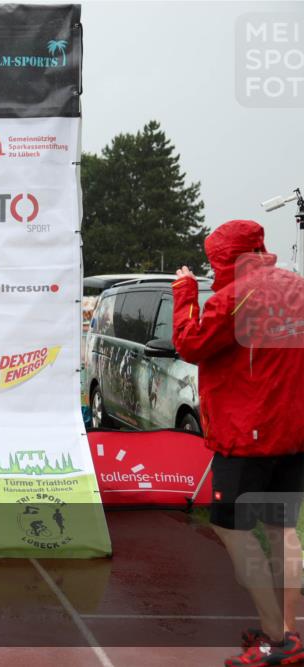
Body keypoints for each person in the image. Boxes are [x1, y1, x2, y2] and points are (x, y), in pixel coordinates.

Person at [171, 219, 304, 667]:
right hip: (293, 432)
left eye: (213, 260)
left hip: (247, 434)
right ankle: (287, 632)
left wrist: (186, 292)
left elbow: (190, 344)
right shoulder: (296, 287)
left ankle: (276, 640)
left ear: (225, 258)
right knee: (282, 530)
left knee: (232, 527)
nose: (210, 268)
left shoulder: (236, 295)